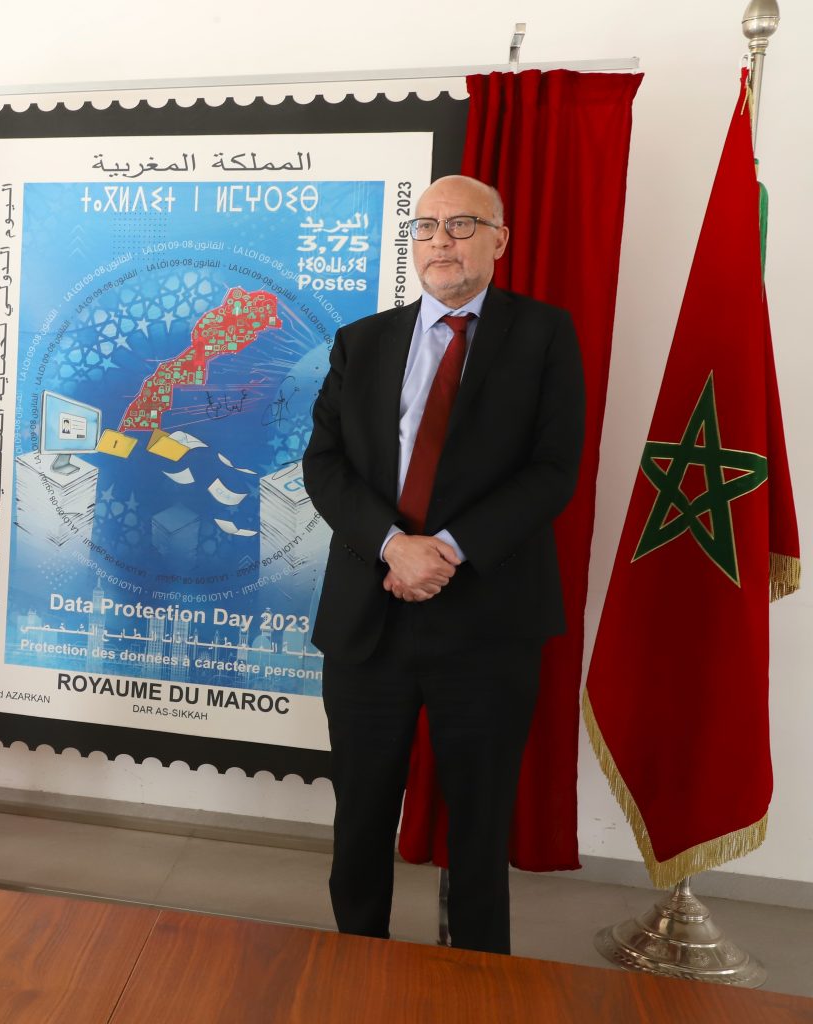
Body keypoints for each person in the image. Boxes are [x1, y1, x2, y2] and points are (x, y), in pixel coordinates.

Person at [300, 175, 584, 954]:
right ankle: (358, 960)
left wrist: (447, 550)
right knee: (361, 817)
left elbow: (554, 470)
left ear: (500, 239)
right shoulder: (363, 341)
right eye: (425, 227)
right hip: (370, 616)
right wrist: (394, 545)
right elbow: (324, 463)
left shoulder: (544, 335)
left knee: (480, 824)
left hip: (489, 619)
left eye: (461, 224)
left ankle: (478, 976)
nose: (440, 241)